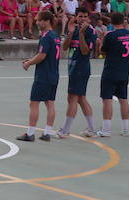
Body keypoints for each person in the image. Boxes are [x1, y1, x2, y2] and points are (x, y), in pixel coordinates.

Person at [18, 10, 60, 142]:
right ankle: (47, 132)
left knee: (34, 103)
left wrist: (29, 63)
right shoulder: (56, 36)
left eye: (39, 20)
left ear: (46, 21)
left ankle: (30, 133)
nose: (37, 22)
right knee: (50, 103)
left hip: (43, 75)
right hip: (54, 74)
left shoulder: (46, 37)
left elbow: (42, 55)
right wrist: (31, 59)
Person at [57, 12, 98, 138]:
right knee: (80, 99)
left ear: (89, 19)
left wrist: (80, 34)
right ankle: (92, 129)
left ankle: (65, 130)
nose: (83, 19)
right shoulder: (74, 29)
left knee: (72, 98)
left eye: (85, 16)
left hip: (81, 68)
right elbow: (64, 47)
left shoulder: (90, 31)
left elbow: (85, 51)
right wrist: (70, 32)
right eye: (80, 16)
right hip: (73, 68)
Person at [96, 12, 129, 136]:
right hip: (124, 70)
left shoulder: (111, 36)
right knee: (123, 99)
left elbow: (103, 52)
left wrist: (102, 40)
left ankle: (106, 129)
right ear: (123, 21)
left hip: (111, 70)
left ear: (111, 22)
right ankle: (126, 129)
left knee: (107, 100)